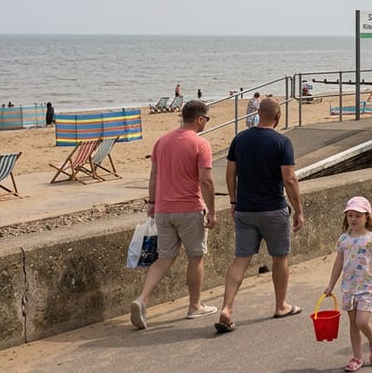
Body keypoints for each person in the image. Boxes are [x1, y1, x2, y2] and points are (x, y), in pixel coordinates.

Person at [215, 97, 305, 333]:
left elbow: (230, 173)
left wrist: (233, 201)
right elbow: (289, 179)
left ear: (257, 115)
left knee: (240, 259)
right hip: (273, 209)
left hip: (245, 209)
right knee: (280, 257)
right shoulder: (282, 142)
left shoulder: (240, 139)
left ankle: (227, 308)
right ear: (278, 116)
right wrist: (298, 210)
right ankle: (281, 305)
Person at [130, 100, 217, 329]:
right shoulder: (201, 144)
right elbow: (206, 181)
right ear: (200, 119)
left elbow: (153, 176)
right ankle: (194, 306)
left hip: (163, 210)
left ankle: (142, 299)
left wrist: (152, 203)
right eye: (206, 119)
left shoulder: (162, 141)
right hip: (189, 209)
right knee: (195, 256)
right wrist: (212, 211)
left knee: (164, 258)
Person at [323, 196, 372, 371]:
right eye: (350, 215)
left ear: (367, 217)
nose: (353, 219)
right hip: (348, 288)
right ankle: (357, 357)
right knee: (353, 324)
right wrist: (331, 285)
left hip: (367, 287)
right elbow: (338, 264)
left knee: (362, 322)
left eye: (358, 216)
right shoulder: (343, 240)